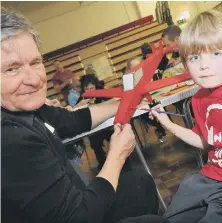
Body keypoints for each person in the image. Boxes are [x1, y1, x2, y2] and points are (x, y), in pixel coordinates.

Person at [1, 8, 170, 223]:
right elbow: (78, 217)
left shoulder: (29, 109)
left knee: (140, 182)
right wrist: (117, 155)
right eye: (12, 69)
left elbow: (76, 120)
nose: (34, 80)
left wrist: (129, 100)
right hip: (77, 215)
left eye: (35, 63)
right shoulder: (9, 139)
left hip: (75, 203)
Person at [149, 10, 222, 223]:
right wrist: (167, 123)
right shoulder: (199, 99)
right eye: (194, 57)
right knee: (172, 215)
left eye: (216, 53)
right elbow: (205, 141)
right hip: (211, 176)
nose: (204, 65)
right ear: (185, 65)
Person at [80, 74, 132, 170]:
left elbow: (114, 103)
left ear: (96, 86)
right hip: (95, 129)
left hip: (108, 126)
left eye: (91, 88)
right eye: (86, 89)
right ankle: (103, 165)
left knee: (116, 139)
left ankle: (125, 162)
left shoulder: (103, 93)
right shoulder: (82, 99)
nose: (89, 91)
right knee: (95, 144)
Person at [125, 56, 167, 143]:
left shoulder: (146, 73)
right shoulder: (128, 80)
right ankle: (158, 127)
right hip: (140, 105)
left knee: (158, 105)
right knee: (146, 113)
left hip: (151, 99)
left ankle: (165, 124)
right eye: (135, 67)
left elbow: (152, 87)